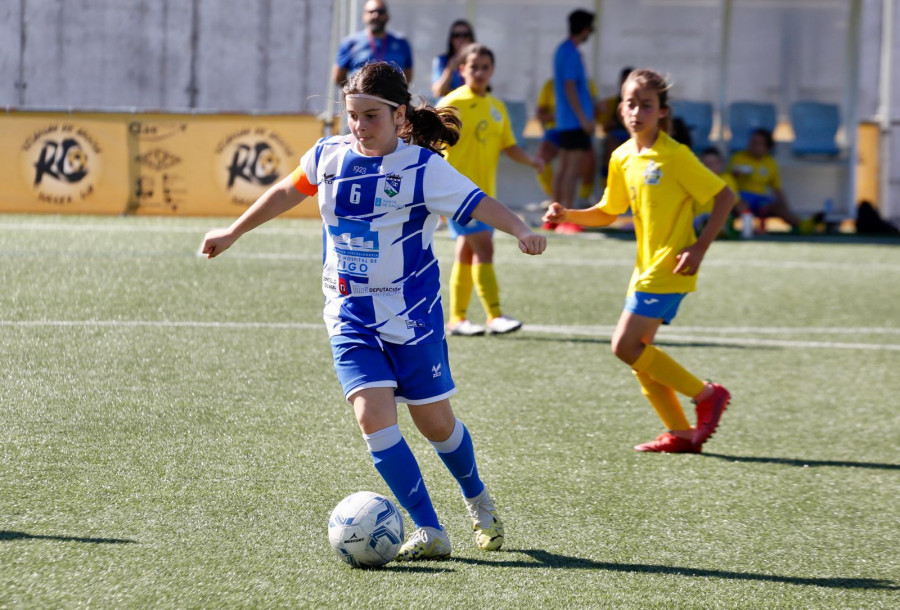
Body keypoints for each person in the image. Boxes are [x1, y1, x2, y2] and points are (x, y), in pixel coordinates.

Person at [201, 62, 547, 560]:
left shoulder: (423, 169)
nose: (359, 127)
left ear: (398, 114)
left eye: (371, 117)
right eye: (352, 116)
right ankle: (430, 530)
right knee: (372, 415)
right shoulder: (328, 156)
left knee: (436, 424)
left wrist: (520, 230)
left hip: (411, 313)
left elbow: (478, 202)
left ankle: (480, 502)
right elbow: (285, 190)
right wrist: (233, 230)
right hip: (348, 311)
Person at [542, 68, 735, 454]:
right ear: (620, 108)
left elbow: (725, 197)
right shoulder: (622, 156)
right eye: (631, 103)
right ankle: (680, 433)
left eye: (647, 105)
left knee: (624, 346)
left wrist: (699, 248)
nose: (637, 111)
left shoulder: (675, 156)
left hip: (669, 266)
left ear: (662, 112)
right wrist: (569, 215)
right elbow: (609, 210)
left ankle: (707, 394)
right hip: (643, 269)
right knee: (639, 354)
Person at [438, 43, 544, 337]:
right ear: (462, 70)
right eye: (474, 67)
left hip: (485, 196)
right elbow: (431, 141)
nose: (480, 72)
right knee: (484, 247)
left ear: (492, 70)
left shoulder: (497, 107)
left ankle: (457, 319)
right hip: (457, 194)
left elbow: (510, 146)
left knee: (467, 253)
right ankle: (494, 315)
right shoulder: (452, 102)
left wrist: (532, 161)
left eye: (485, 67)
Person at [549, 8, 596, 234]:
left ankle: (553, 216)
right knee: (572, 170)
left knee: (564, 168)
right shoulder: (569, 52)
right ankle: (566, 218)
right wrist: (584, 119)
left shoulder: (565, 50)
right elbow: (570, 87)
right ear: (585, 29)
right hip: (574, 122)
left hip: (565, 122)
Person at [728, 127, 811, 234]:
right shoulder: (738, 157)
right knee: (736, 203)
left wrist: (785, 208)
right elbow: (728, 180)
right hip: (741, 196)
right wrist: (735, 174)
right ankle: (745, 229)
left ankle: (803, 226)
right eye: (752, 142)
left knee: (773, 206)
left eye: (758, 143)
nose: (753, 146)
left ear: (767, 147)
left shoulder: (770, 163)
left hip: (760, 198)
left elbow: (777, 188)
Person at [534, 77, 598, 208]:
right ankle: (558, 204)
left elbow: (593, 107)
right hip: (564, 129)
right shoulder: (555, 84)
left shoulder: (585, 84)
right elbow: (541, 113)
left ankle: (575, 202)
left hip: (575, 128)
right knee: (567, 169)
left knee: (571, 167)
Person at [332, 0, 413, 88]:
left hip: (392, 99)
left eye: (380, 11)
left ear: (387, 16)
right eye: (371, 12)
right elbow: (338, 77)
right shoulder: (350, 43)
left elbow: (408, 74)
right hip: (362, 98)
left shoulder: (401, 42)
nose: (376, 15)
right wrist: (355, 94)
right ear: (363, 16)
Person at [695, 147, 740, 239]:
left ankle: (718, 229)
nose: (709, 167)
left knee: (722, 221)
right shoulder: (694, 180)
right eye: (706, 164)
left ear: (720, 164)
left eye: (713, 164)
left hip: (721, 218)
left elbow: (735, 202)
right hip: (698, 219)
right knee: (704, 221)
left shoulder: (727, 179)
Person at [430, 20, 475, 99]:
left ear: (471, 38)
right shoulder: (441, 61)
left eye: (465, 35)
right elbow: (438, 92)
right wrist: (449, 69)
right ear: (451, 39)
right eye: (456, 35)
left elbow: (481, 91)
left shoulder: (477, 61)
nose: (461, 39)